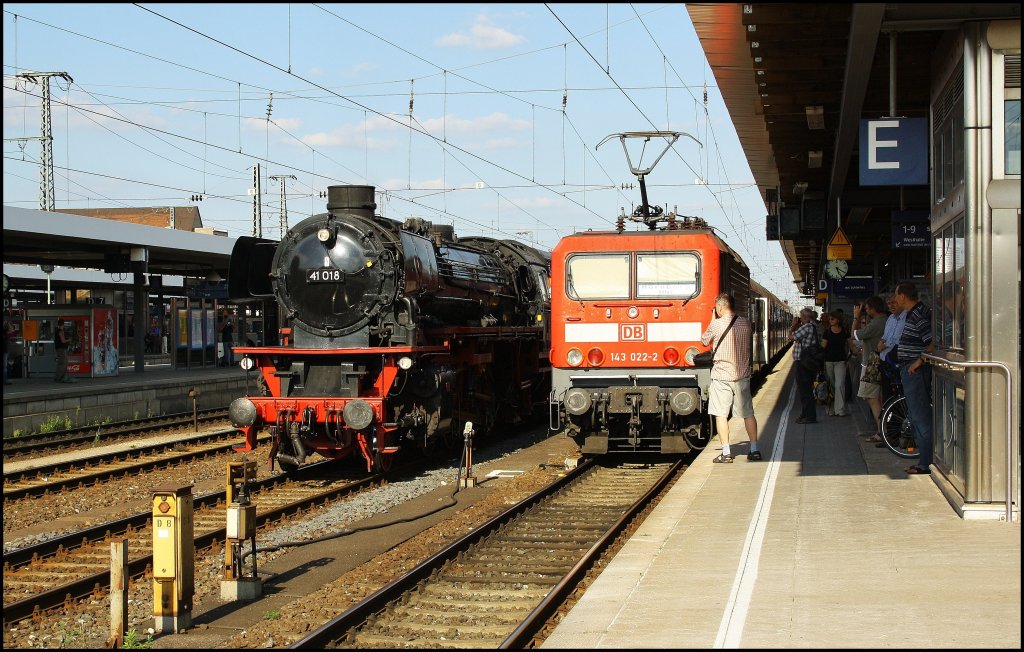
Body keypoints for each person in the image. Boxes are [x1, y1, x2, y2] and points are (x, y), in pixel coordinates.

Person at [700, 293, 760, 463]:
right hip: (742, 376)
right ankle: (754, 449)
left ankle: (726, 453)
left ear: (719, 307)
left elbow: (704, 341)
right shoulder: (745, 323)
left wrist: (713, 320)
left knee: (720, 414)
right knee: (748, 414)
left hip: (722, 377)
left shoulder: (716, 325)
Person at [894, 281, 934, 475]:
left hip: (915, 373)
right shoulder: (915, 312)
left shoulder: (918, 314)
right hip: (911, 371)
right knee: (917, 416)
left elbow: (932, 342)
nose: (894, 299)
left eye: (896, 295)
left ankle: (926, 463)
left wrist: (918, 361)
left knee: (920, 417)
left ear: (903, 296)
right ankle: (923, 460)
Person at [851, 296, 888, 441]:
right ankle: (883, 430)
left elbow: (854, 335)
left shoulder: (876, 324)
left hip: (871, 365)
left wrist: (855, 318)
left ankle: (881, 432)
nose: (865, 311)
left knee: (870, 397)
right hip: (879, 362)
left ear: (873, 309)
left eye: (867, 309)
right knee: (877, 397)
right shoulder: (885, 320)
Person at [790, 308, 820, 424]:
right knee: (806, 389)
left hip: (803, 363)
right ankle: (805, 414)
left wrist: (793, 326)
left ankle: (810, 417)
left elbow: (791, 337)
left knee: (805, 390)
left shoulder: (807, 326)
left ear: (806, 318)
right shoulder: (815, 326)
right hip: (810, 362)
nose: (800, 320)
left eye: (801, 317)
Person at [877, 293, 907, 405]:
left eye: (894, 302)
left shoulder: (907, 317)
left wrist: (885, 344)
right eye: (888, 303)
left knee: (901, 395)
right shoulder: (890, 318)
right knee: (887, 395)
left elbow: (902, 340)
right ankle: (889, 421)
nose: (891, 306)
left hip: (898, 362)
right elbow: (884, 337)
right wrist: (881, 342)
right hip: (885, 361)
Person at [820, 311, 850, 417]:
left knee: (839, 385)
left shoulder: (845, 331)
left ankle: (840, 410)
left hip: (841, 361)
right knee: (832, 385)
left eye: (832, 318)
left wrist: (857, 352)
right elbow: (823, 346)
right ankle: (832, 407)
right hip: (828, 361)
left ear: (838, 320)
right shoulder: (827, 332)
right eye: (829, 319)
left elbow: (850, 344)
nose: (830, 320)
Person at [54, 317, 76, 383]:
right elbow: (63, 341)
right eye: (63, 325)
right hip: (61, 349)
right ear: (62, 324)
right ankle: (59, 377)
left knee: (62, 363)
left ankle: (61, 377)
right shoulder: (60, 331)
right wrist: (69, 340)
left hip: (60, 349)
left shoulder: (58, 331)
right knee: (63, 363)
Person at [3, 321, 14, 385]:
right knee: (4, 367)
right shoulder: (5, 332)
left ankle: (5, 380)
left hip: (4, 351)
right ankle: (5, 381)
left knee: (5, 367)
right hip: (4, 351)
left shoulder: (5, 332)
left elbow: (11, 330)